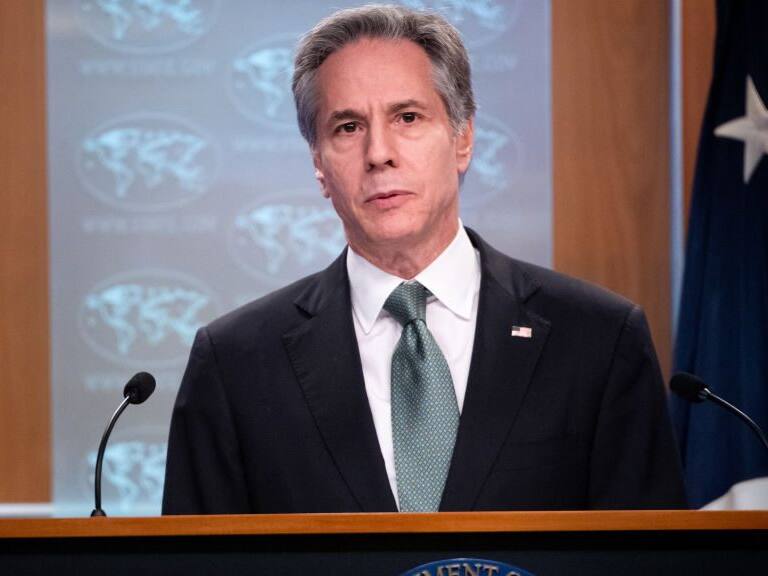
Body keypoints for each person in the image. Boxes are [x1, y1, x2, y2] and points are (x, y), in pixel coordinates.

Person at [162, 4, 686, 514]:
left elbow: (650, 557)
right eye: (347, 127)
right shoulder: (235, 364)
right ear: (319, 165)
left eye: (408, 117)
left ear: (463, 139)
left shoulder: (598, 339)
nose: (378, 153)